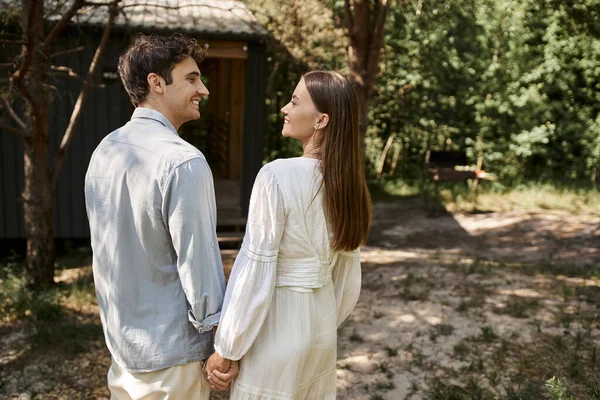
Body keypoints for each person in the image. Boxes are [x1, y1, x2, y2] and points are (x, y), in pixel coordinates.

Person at [84, 33, 237, 399]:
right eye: (191, 78)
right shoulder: (183, 161)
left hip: (123, 352)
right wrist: (223, 345)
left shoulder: (104, 151)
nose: (204, 89)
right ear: (156, 82)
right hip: (173, 360)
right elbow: (198, 264)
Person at [206, 70, 372, 398]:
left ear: (321, 120)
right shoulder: (350, 186)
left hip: (275, 332)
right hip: (320, 331)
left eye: (295, 102)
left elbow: (255, 270)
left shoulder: (276, 176)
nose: (284, 108)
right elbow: (347, 282)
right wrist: (320, 319)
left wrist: (227, 348)